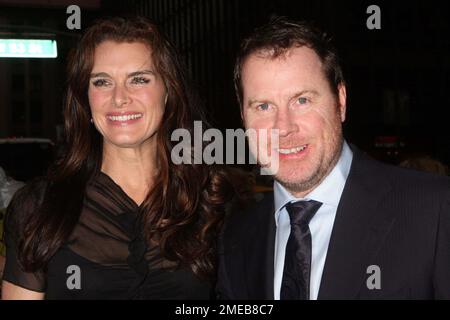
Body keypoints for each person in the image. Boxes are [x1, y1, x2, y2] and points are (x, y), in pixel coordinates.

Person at [1, 16, 247, 300]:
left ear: (168, 92)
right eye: (102, 82)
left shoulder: (213, 201)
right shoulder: (39, 208)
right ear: (85, 98)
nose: (119, 98)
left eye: (139, 79)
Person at [216, 16, 450, 299]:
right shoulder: (236, 239)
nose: (284, 127)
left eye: (302, 100)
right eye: (263, 106)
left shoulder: (434, 210)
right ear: (243, 117)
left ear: (340, 101)